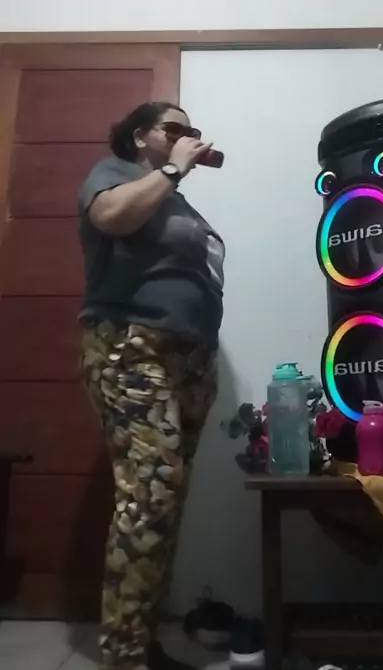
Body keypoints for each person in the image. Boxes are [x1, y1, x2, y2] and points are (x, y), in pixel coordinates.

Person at [78, 101, 225, 670]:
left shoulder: (176, 200)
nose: (187, 136)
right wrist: (173, 168)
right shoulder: (115, 173)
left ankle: (141, 643)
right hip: (133, 345)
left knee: (166, 503)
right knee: (149, 497)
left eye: (192, 130)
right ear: (141, 137)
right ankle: (124, 655)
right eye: (175, 128)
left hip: (191, 357)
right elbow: (111, 217)